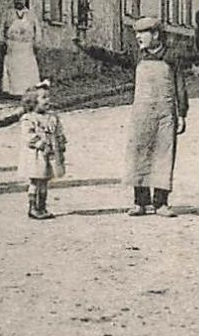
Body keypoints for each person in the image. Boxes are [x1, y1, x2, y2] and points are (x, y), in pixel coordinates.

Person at [79, 16, 188, 217]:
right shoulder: (137, 56)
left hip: (166, 114)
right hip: (142, 114)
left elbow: (180, 86)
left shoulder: (171, 57)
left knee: (164, 155)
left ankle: (161, 203)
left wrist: (182, 114)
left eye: (142, 33)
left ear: (155, 34)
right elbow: (111, 57)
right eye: (136, 33)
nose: (138, 37)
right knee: (139, 155)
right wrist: (87, 48)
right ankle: (140, 201)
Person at [19, 82, 67, 220]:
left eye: (48, 97)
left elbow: (59, 132)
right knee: (35, 181)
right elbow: (28, 136)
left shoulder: (53, 117)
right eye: (43, 98)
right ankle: (33, 207)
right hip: (36, 156)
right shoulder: (29, 119)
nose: (48, 100)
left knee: (45, 181)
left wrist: (61, 143)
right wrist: (41, 144)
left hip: (49, 155)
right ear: (33, 101)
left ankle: (42, 206)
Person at [1, 0, 43, 97]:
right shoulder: (8, 13)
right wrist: (2, 41)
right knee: (13, 68)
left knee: (26, 68)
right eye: (16, 0)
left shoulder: (31, 15)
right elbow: (2, 27)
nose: (19, 2)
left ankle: (27, 90)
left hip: (26, 46)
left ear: (25, 1)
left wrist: (37, 42)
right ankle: (13, 91)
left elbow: (37, 29)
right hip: (13, 45)